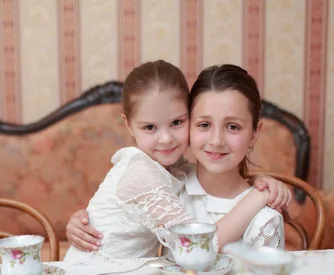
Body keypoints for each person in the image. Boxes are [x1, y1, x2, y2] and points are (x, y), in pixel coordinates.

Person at [63, 61, 288, 262]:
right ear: (129, 124)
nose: (166, 138)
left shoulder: (173, 171)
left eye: (176, 122)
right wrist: (258, 196)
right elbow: (197, 247)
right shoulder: (143, 173)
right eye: (204, 124)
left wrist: (261, 180)